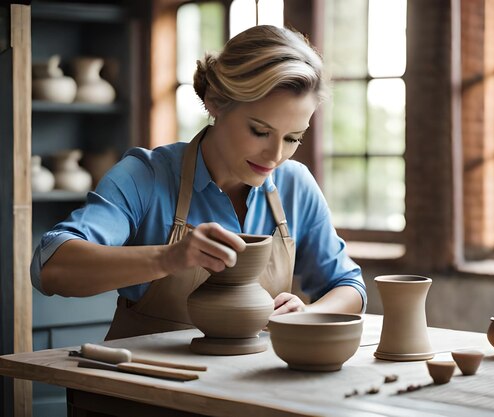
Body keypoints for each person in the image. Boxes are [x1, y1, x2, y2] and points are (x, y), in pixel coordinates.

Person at [31, 25, 367, 340]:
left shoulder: (295, 186)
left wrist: (308, 313)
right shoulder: (145, 176)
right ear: (216, 102)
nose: (276, 155)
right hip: (141, 389)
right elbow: (51, 267)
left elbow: (349, 285)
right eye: (260, 131)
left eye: (293, 138)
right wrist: (168, 259)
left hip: (245, 387)